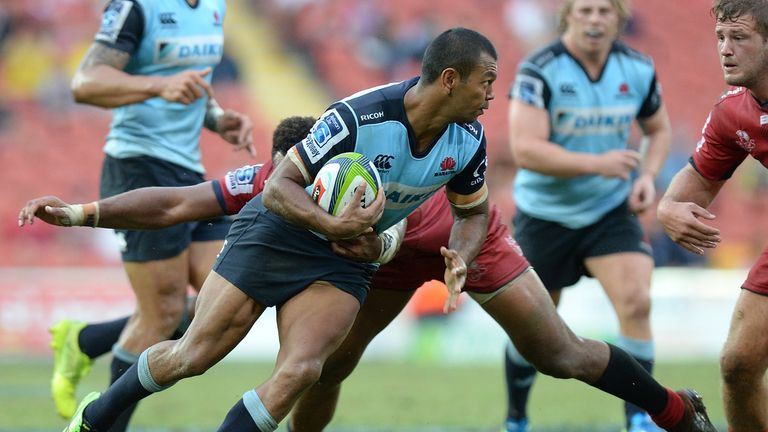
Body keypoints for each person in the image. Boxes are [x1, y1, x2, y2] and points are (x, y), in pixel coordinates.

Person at [21, 126, 716, 432]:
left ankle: (671, 410)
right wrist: (83, 211)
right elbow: (182, 200)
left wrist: (463, 255)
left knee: (559, 353)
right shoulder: (293, 178)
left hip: (460, 243)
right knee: (323, 367)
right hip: (368, 262)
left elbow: (465, 208)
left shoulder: (404, 177)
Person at [53, 27, 495, 432]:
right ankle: (95, 417)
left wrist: (460, 255)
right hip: (278, 234)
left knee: (303, 371)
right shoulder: (359, 116)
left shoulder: (470, 142)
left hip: (343, 261)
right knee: (192, 355)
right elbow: (279, 187)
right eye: (486, 81)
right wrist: (330, 222)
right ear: (451, 79)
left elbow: (472, 214)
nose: (491, 95)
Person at [51, 0, 254, 429]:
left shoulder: (214, 7)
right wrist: (156, 87)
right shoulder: (136, 7)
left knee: (225, 296)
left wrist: (217, 119)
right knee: (160, 315)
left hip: (188, 173)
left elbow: (191, 84)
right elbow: (85, 82)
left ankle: (85, 339)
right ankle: (101, 424)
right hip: (137, 168)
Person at [504, 0, 672, 430]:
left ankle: (639, 418)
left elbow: (658, 130)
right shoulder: (539, 69)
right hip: (546, 214)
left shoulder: (637, 67)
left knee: (637, 300)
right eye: (585, 10)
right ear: (568, 16)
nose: (595, 19)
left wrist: (647, 177)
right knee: (536, 329)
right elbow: (526, 149)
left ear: (619, 17)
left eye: (604, 11)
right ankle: (517, 417)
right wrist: (599, 164)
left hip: (609, 210)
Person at [657, 1, 768, 430]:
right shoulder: (733, 112)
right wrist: (668, 209)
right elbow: (691, 188)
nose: (725, 48)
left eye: (739, 37)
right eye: (721, 37)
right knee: (738, 364)